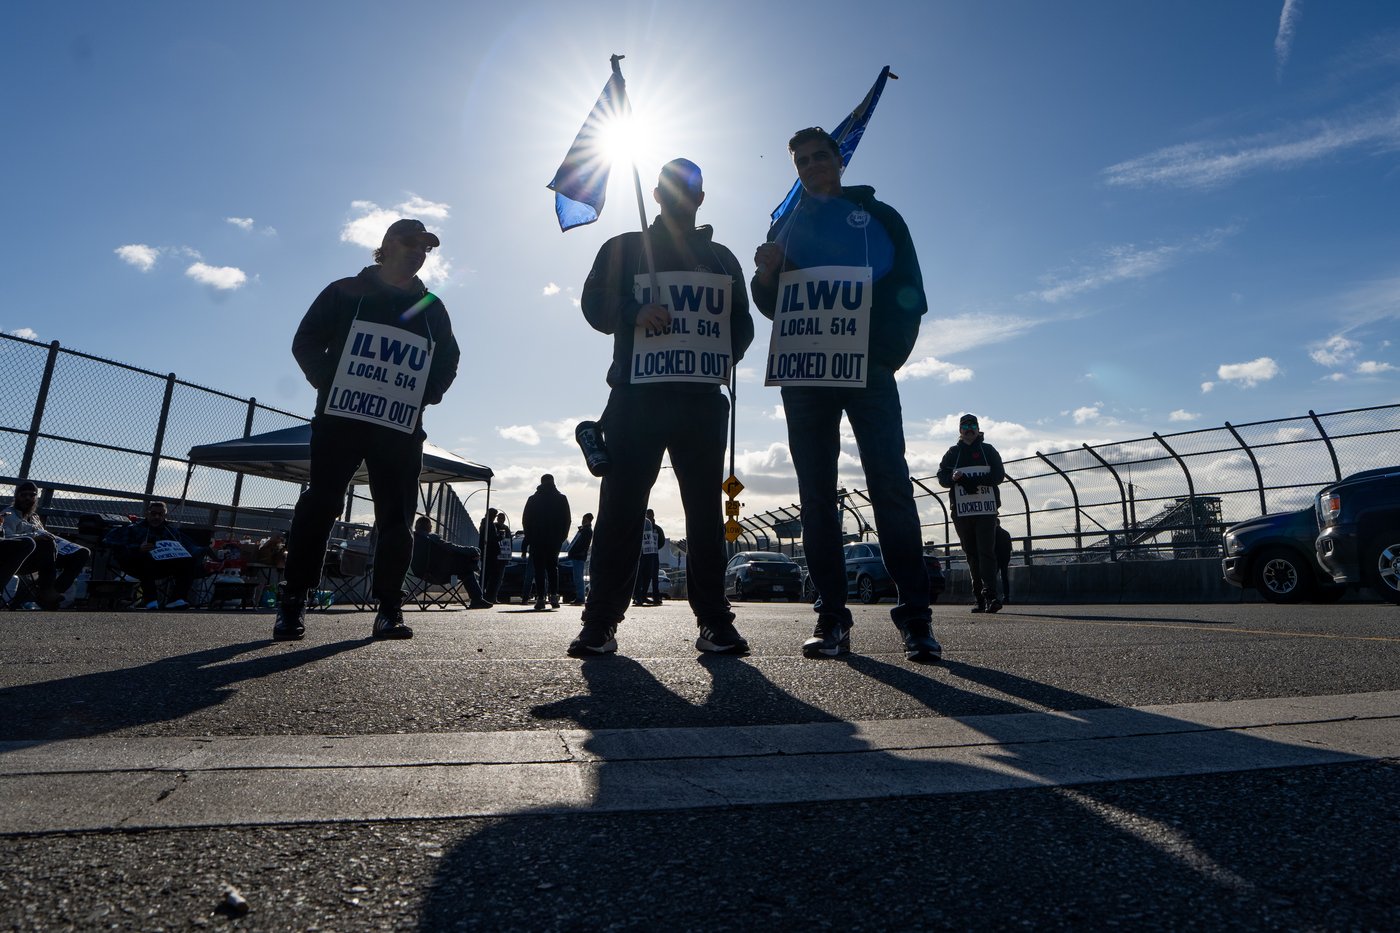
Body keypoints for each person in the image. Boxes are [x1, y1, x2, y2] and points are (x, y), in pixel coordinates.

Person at [751, 127, 940, 663]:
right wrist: (765, 277)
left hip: (868, 370)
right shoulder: (785, 225)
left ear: (839, 158)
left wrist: (885, 354)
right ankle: (832, 615)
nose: (812, 165)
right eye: (802, 160)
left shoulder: (881, 217)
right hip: (805, 375)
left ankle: (916, 619)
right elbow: (772, 306)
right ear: (796, 168)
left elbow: (912, 292)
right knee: (816, 495)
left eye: (820, 156)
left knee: (890, 487)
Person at [569, 158, 755, 656]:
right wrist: (632, 311)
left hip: (700, 400)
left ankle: (715, 620)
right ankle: (600, 621)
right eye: (671, 187)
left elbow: (743, 326)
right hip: (637, 397)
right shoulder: (625, 248)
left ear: (701, 196)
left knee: (705, 515)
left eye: (689, 187)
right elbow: (593, 306)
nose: (680, 195)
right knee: (621, 511)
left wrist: (722, 354)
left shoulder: (721, 259)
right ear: (655, 195)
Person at [274, 218, 460, 641]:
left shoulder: (432, 307)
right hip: (341, 420)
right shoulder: (345, 291)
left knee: (396, 516)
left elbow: (448, 359)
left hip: (398, 427)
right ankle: (293, 602)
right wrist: (329, 381)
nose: (419, 252)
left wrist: (425, 394)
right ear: (388, 244)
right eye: (412, 243)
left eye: (426, 248)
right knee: (320, 504)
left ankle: (389, 609)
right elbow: (305, 340)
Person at [937, 414, 1006, 613]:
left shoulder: (988, 450)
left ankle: (991, 595)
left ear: (978, 428)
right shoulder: (953, 453)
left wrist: (976, 481)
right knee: (971, 554)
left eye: (973, 425)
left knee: (986, 551)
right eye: (965, 425)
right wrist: (953, 477)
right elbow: (941, 476)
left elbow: (999, 475)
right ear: (960, 430)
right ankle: (979, 598)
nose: (969, 429)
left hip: (986, 510)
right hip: (962, 512)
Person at [1, 480, 90, 609]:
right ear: (16, 497)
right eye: (23, 495)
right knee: (46, 544)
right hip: (21, 559)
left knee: (82, 553)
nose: (28, 498)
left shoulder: (35, 517)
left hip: (44, 558)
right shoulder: (8, 515)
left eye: (32, 495)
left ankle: (53, 591)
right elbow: (6, 539)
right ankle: (46, 591)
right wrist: (35, 537)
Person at [103, 500, 207, 609]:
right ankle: (150, 600)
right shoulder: (133, 529)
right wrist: (138, 548)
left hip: (164, 565)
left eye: (160, 514)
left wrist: (196, 552)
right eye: (153, 513)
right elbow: (110, 541)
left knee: (189, 561)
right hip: (137, 564)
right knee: (146, 557)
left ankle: (176, 599)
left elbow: (189, 546)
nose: (156, 517)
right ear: (147, 514)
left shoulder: (171, 531)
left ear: (165, 515)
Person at [412, 515, 491, 608]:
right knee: (467, 569)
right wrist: (474, 550)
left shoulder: (411, 539)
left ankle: (475, 571)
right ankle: (477, 599)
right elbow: (452, 547)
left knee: (466, 564)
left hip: (420, 573)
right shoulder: (432, 538)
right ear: (429, 527)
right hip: (439, 575)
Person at [522, 474, 571, 610]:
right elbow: (567, 520)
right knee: (552, 568)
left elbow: (526, 520)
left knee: (539, 570)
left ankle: (540, 598)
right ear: (553, 482)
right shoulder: (561, 498)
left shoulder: (533, 499)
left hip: (537, 540)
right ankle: (554, 596)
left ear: (541, 482)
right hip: (554, 540)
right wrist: (561, 538)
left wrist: (530, 537)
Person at [633, 509, 666, 606]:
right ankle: (637, 597)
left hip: (652, 554)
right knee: (640, 577)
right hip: (642, 554)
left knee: (650, 576)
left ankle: (644, 596)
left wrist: (654, 548)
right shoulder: (642, 524)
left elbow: (661, 541)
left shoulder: (656, 528)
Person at [565, 513, 593, 606]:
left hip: (579, 556)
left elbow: (582, 544)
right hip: (579, 556)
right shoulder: (585, 530)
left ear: (588, 520)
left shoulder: (586, 531)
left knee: (578, 577)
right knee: (577, 577)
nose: (583, 520)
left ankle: (580, 597)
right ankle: (579, 596)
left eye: (584, 519)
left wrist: (574, 552)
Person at [994, 522, 1012, 606]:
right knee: (1004, 578)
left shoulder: (993, 533)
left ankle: (993, 597)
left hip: (996, 558)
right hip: (1005, 558)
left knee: (992, 578)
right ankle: (1006, 597)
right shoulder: (1006, 533)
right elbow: (1009, 548)